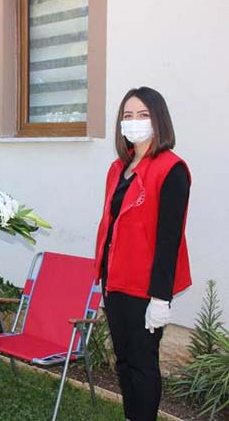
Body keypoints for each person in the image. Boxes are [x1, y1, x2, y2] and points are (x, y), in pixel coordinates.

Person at [94, 87, 192, 421]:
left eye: (143, 115)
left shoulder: (171, 169)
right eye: (128, 115)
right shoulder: (118, 168)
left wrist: (161, 298)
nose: (134, 121)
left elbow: (169, 240)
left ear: (158, 119)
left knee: (142, 364)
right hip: (114, 281)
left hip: (145, 289)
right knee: (123, 361)